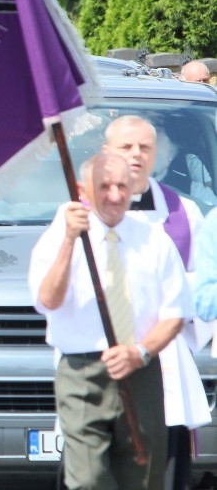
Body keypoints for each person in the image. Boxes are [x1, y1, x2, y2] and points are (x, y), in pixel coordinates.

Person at [29, 152, 192, 490]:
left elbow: (175, 313)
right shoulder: (60, 237)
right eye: (104, 186)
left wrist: (141, 352)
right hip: (83, 373)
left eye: (122, 186)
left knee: (143, 479)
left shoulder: (154, 240)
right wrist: (69, 242)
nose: (115, 195)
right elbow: (48, 300)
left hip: (140, 370)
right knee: (88, 480)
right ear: (82, 189)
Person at [100, 116, 210, 490]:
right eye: (125, 147)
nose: (135, 155)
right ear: (105, 154)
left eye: (144, 148)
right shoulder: (78, 216)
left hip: (164, 368)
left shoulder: (184, 214)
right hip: (101, 369)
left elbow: (204, 290)